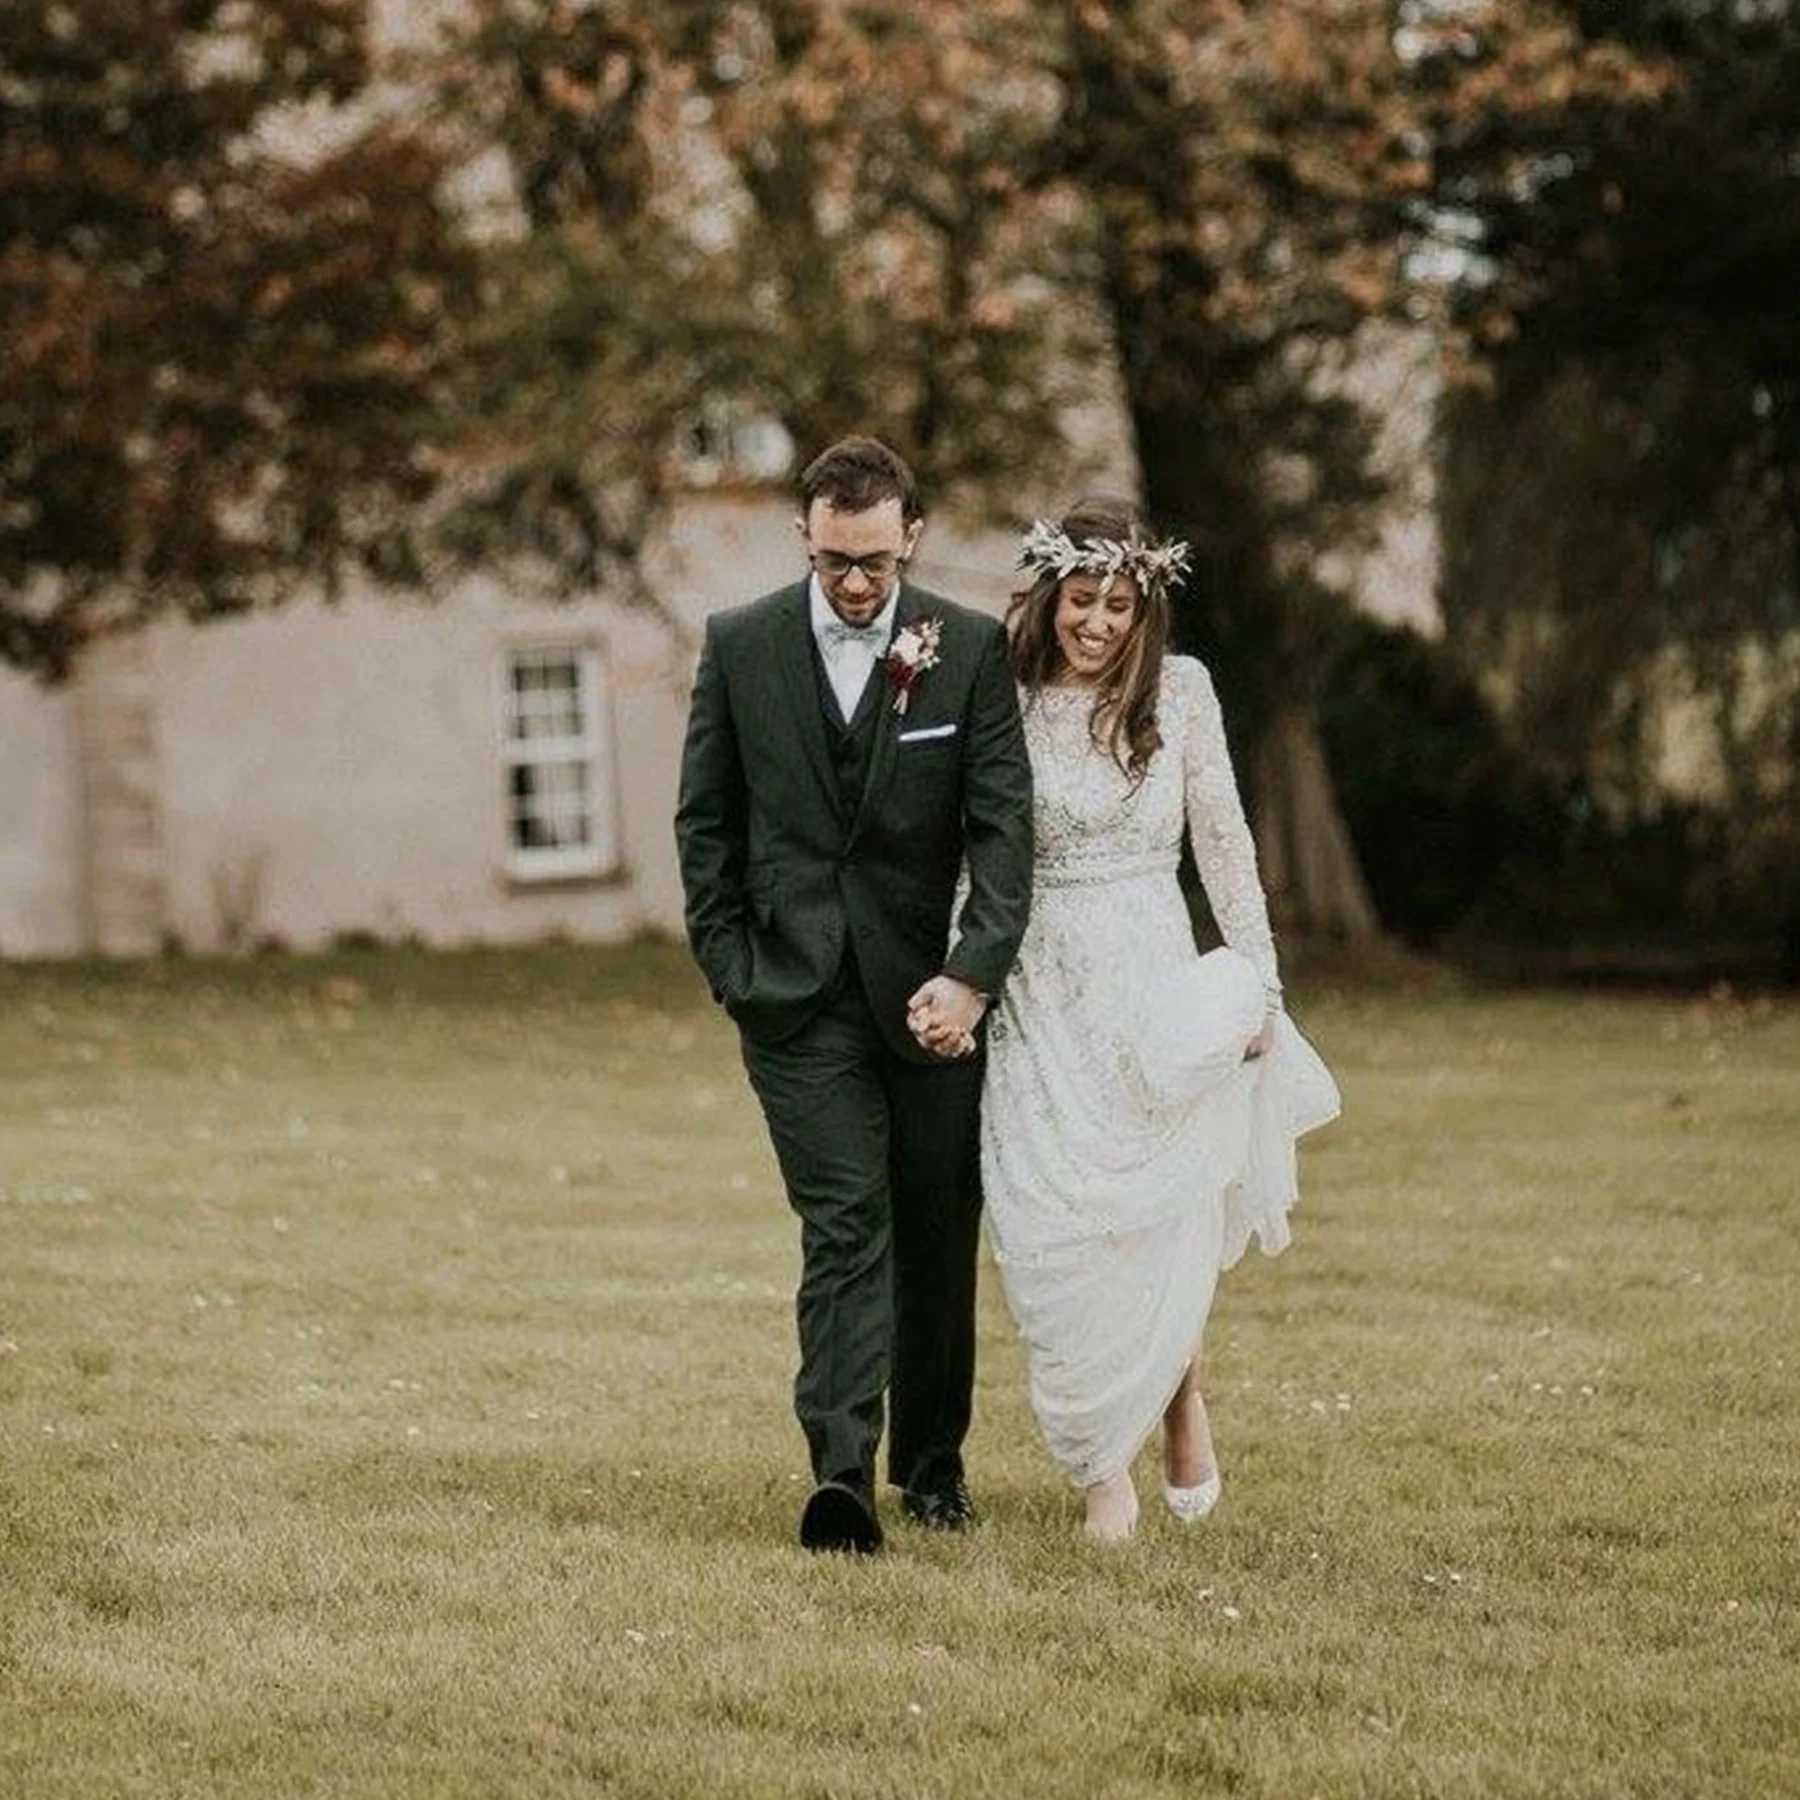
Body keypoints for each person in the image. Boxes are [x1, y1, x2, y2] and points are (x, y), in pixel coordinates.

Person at [675, 436, 1033, 1554]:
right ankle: (841, 1476)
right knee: (845, 1222)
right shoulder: (739, 648)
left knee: (935, 1227)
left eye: (875, 560)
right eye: (835, 560)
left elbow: (1002, 829)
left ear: (911, 536)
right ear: (805, 538)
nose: (857, 583)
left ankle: (934, 1468)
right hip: (794, 1000)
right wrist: (736, 972)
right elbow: (706, 824)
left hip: (930, 996)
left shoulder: (967, 651)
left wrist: (972, 976)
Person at [980, 498, 1340, 1544]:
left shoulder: (1180, 694)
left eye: (1118, 605)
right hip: (1040, 986)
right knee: (1053, 1224)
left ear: (1145, 611)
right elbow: (975, 847)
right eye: (1080, 602)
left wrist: (1259, 988)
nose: (1095, 625)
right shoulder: (1002, 695)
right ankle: (1104, 1466)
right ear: (1050, 596)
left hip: (1146, 978)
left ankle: (1175, 1399)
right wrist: (963, 974)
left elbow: (1222, 841)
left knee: (1152, 1211)